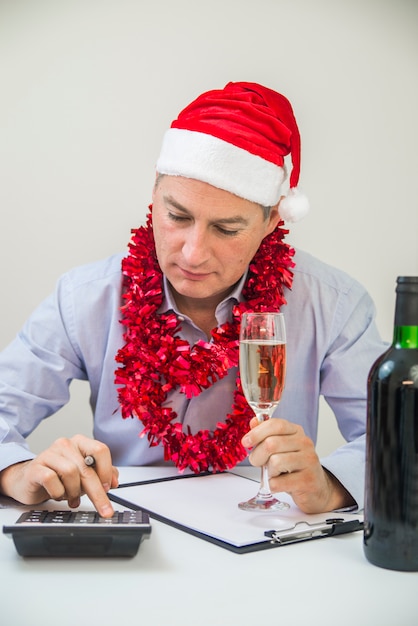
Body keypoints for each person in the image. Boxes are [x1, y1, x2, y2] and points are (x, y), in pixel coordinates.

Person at [0, 81, 385, 518]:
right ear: (153, 194)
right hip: (127, 535)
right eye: (177, 216)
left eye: (226, 229)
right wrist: (16, 472)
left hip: (269, 546)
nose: (192, 253)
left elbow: (399, 439)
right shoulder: (85, 298)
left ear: (271, 221)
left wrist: (331, 487)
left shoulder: (332, 304)